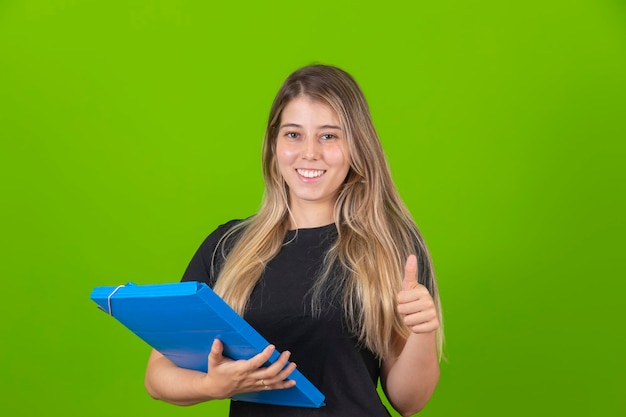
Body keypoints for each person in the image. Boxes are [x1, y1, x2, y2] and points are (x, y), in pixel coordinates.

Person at [144, 64, 444, 417]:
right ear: (273, 145)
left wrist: (422, 332)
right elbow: (158, 375)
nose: (310, 153)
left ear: (356, 147)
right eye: (293, 134)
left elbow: (409, 401)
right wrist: (213, 386)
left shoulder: (390, 246)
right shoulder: (228, 246)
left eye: (329, 136)